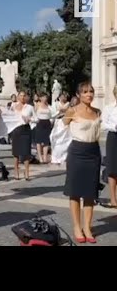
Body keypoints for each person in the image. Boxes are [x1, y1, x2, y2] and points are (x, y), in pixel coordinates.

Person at [63, 81, 101, 243]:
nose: (89, 94)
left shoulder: (97, 112)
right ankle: (77, 227)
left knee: (90, 193)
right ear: (78, 95)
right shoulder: (71, 111)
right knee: (75, 191)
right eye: (85, 92)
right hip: (77, 152)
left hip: (93, 152)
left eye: (91, 91)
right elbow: (60, 131)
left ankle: (87, 227)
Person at [10, 91, 34, 180]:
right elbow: (9, 116)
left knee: (26, 152)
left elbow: (36, 119)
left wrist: (29, 119)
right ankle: (16, 172)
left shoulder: (30, 107)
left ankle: (27, 172)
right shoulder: (13, 106)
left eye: (24, 96)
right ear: (18, 97)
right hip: (16, 129)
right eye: (21, 95)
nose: (23, 97)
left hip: (25, 129)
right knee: (16, 153)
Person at [101, 85, 117, 208]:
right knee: (112, 169)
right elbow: (103, 124)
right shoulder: (109, 108)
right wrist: (114, 127)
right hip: (113, 137)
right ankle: (113, 199)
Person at [34, 93, 53, 164]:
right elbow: (34, 114)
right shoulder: (37, 105)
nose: (45, 98)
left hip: (47, 122)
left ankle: (45, 157)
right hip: (40, 122)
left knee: (46, 140)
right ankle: (40, 157)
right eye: (44, 97)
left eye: (46, 97)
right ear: (41, 98)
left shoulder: (48, 105)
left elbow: (51, 114)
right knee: (38, 140)